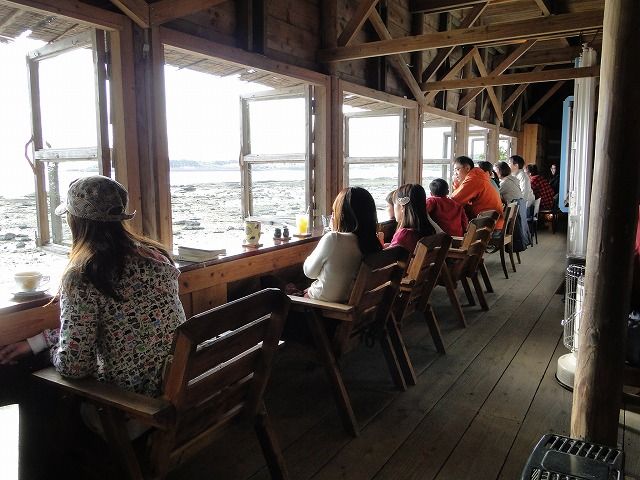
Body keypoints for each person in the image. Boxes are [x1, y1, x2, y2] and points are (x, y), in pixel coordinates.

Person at [0, 176, 186, 397]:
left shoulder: (85, 276)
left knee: (27, 373)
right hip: (178, 381)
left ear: (74, 221)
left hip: (137, 401)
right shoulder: (156, 257)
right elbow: (116, 325)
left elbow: (74, 366)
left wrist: (49, 351)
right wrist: (38, 342)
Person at [303, 187, 381, 302]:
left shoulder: (333, 239)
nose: (333, 215)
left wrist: (333, 231)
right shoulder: (372, 242)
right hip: (352, 304)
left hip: (324, 307)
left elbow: (309, 272)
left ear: (342, 215)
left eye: (335, 211)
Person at [451, 155, 504, 230]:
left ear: (467, 168)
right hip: (492, 222)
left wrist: (456, 182)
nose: (455, 173)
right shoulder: (478, 175)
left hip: (488, 227)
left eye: (457, 169)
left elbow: (455, 200)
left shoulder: (474, 178)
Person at [386, 184, 436, 253]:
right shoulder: (428, 229)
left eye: (394, 204)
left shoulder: (405, 234)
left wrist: (381, 241)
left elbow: (388, 257)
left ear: (402, 207)